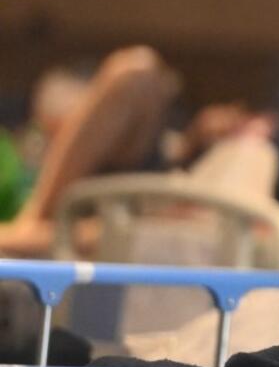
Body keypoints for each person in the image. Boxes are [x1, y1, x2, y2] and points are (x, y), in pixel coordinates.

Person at [0, 46, 180, 256]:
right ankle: (31, 223)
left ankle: (31, 224)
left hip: (81, 219)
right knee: (137, 73)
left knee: (137, 73)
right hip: (65, 227)